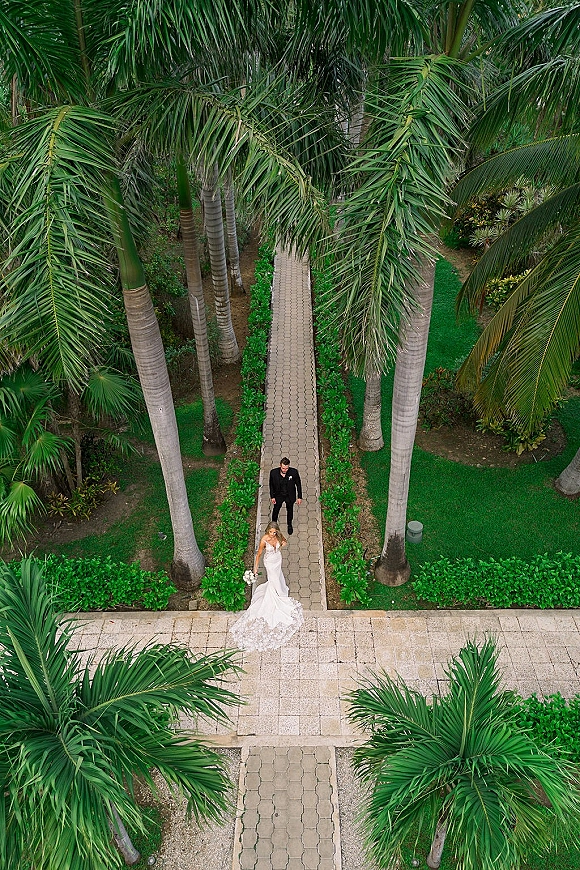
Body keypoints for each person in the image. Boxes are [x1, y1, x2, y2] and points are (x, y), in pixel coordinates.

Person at [229, 521, 304, 652]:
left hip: (277, 560)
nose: (272, 534)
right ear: (267, 531)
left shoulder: (279, 537)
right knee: (273, 578)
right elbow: (258, 554)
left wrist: (279, 546)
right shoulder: (264, 539)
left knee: (278, 576)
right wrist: (255, 570)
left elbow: (285, 542)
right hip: (269, 562)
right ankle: (276, 595)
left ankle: (279, 590)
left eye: (274, 532)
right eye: (271, 532)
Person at [269, 457, 302, 535]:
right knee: (276, 510)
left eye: (286, 468)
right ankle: (273, 525)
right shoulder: (273, 473)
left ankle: (289, 524)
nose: (285, 470)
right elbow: (271, 485)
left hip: (289, 496)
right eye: (283, 468)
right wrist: (272, 496)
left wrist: (299, 497)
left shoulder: (294, 472)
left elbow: (298, 484)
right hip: (278, 495)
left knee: (290, 510)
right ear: (280, 466)